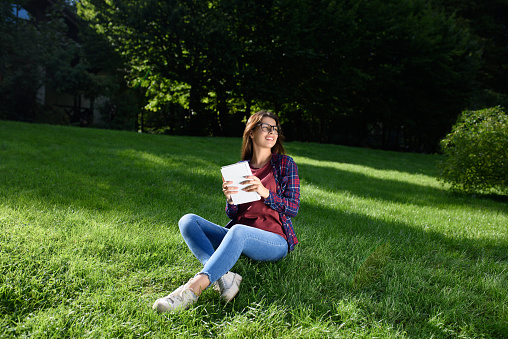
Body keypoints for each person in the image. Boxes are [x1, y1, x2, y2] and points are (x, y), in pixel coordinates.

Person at [152, 110, 300, 312]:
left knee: (237, 230)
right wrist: (230, 199)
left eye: (275, 128)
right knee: (188, 221)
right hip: (238, 234)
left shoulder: (285, 164)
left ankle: (192, 290)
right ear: (251, 132)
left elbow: (292, 208)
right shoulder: (241, 167)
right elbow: (234, 214)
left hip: (274, 240)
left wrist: (264, 191)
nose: (271, 132)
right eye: (265, 127)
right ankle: (224, 275)